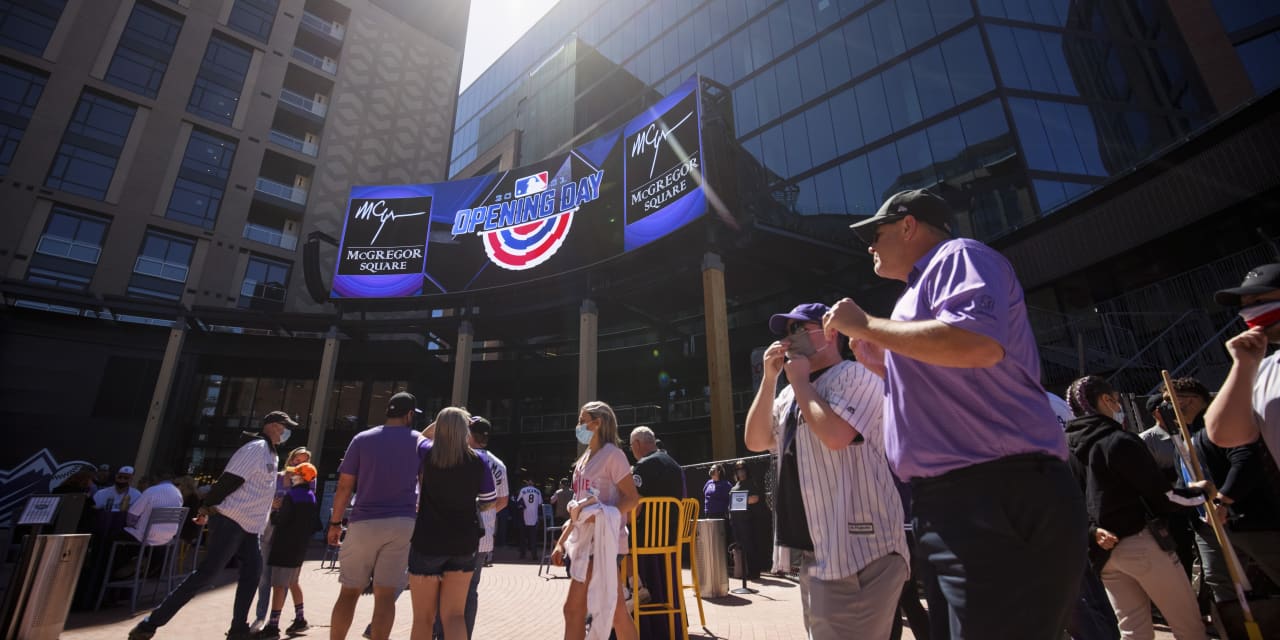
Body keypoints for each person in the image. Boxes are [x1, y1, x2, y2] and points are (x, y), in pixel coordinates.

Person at [826, 189, 1086, 638]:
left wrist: (867, 326)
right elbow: (953, 376)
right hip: (954, 500)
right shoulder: (915, 292)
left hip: (995, 489)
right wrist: (884, 362)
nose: (869, 245)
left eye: (876, 232)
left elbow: (974, 343)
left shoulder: (957, 255)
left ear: (908, 225)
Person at [745, 301, 908, 639]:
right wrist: (770, 379)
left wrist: (802, 384)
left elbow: (836, 436)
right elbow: (756, 440)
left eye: (799, 328)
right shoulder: (789, 391)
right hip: (818, 548)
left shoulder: (856, 374)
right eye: (786, 331)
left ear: (830, 332)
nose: (790, 338)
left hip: (861, 548)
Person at [1064, 375, 1209, 640]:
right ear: (1106, 400)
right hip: (1142, 542)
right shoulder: (1120, 441)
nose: (1118, 406)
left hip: (1105, 554)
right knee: (1188, 624)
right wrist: (1200, 494)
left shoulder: (1069, 451)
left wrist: (1092, 530)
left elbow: (1071, 503)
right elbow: (1162, 496)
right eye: (1117, 400)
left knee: (1132, 630)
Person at [129, 411, 296, 640]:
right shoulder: (256, 448)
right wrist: (206, 507)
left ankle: (238, 629)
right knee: (208, 573)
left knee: (252, 574)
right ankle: (150, 624)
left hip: (250, 527)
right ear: (272, 426)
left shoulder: (271, 454)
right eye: (283, 427)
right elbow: (230, 479)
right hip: (232, 520)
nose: (285, 433)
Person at [327, 392, 424, 640]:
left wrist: (335, 522)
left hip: (363, 521)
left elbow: (344, 486)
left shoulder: (362, 439)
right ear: (409, 414)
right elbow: (424, 487)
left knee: (349, 592)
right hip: (402, 522)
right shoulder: (418, 442)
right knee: (386, 594)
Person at [550, 401, 640, 640]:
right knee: (617, 612)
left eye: (582, 420)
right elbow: (579, 509)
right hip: (585, 544)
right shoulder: (583, 460)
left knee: (574, 610)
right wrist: (561, 541)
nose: (578, 425)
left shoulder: (614, 455)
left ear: (597, 423)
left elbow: (632, 498)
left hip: (604, 545)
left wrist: (604, 516)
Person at [408, 408, 496, 640]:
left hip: (428, 539)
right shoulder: (479, 460)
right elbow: (489, 502)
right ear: (465, 430)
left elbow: (420, 436)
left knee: (423, 618)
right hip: (464, 543)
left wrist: (444, 418)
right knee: (455, 615)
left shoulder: (428, 452)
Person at [1206, 263, 1280, 455]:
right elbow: (1224, 435)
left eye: (1258, 302)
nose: (1251, 314)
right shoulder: (1263, 372)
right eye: (1245, 307)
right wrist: (1243, 365)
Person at [628, 426, 687, 640]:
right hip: (671, 540)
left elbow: (635, 507)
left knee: (616, 543)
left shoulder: (642, 466)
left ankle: (628, 609)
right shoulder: (674, 465)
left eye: (631, 446)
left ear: (636, 445)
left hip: (644, 542)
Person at [253, 446, 313, 631]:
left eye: (303, 460)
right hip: (271, 529)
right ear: (290, 459)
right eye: (297, 459)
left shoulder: (307, 483)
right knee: (265, 577)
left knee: (283, 581)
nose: (298, 462)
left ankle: (274, 619)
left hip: (288, 534)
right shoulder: (277, 477)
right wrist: (272, 504)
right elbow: (261, 496)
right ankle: (261, 618)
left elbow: (306, 508)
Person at [464, 415, 508, 636]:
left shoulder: (464, 458)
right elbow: (503, 500)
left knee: (447, 587)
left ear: (469, 434)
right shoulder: (498, 464)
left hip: (458, 533)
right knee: (471, 590)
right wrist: (485, 513)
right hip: (484, 535)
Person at [727, 460, 770, 580]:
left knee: (750, 547)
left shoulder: (750, 483)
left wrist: (740, 501)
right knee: (740, 547)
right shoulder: (735, 485)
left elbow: (755, 498)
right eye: (738, 470)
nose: (740, 472)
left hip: (747, 520)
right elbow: (731, 502)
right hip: (736, 521)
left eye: (742, 469)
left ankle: (754, 572)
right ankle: (742, 571)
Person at [516, 477, 543, 560]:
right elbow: (540, 504)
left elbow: (518, 502)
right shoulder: (538, 491)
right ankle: (534, 555)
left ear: (527, 482)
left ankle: (522, 554)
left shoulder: (523, 490)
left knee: (523, 536)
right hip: (534, 516)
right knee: (533, 537)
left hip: (524, 516)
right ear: (533, 483)